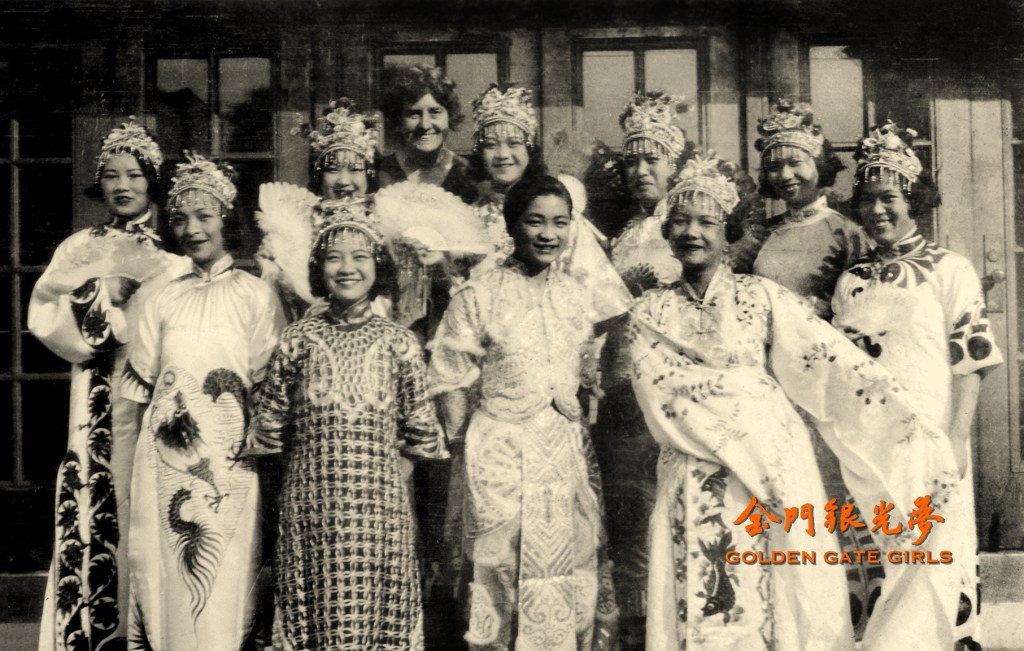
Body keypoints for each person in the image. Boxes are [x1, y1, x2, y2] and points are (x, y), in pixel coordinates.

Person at [628, 154, 966, 650]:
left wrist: (910, 430)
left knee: (783, 602)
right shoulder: (648, 312)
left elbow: (834, 367)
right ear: (667, 231)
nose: (692, 233)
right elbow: (663, 394)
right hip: (694, 471)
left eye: (707, 222)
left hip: (776, 471)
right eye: (680, 221)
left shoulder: (762, 297)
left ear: (728, 233)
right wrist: (751, 401)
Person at [429, 175, 621, 650]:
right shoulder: (480, 294)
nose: (548, 234)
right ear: (513, 224)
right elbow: (450, 377)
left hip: (564, 450)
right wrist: (463, 446)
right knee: (500, 564)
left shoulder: (578, 294)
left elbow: (588, 364)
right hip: (500, 452)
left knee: (573, 560)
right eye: (535, 222)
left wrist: (588, 382)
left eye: (560, 223)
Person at [831, 121, 1003, 649]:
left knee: (933, 552)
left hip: (932, 434)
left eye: (890, 198)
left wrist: (957, 436)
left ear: (915, 201)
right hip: (867, 439)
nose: (878, 210)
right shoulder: (851, 279)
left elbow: (971, 359)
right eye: (868, 200)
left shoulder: (950, 269)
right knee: (878, 556)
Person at [246, 204, 447, 650]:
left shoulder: (400, 343)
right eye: (334, 258)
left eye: (360, 257)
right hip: (310, 511)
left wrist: (388, 479)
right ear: (319, 268)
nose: (347, 268)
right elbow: (269, 431)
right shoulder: (297, 339)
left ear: (378, 266)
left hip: (380, 513)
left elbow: (423, 436)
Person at [30, 117, 189, 650]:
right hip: (98, 396)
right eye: (112, 175)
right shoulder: (80, 247)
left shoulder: (176, 251)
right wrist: (102, 295)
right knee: (99, 504)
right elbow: (44, 313)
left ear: (152, 182)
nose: (123, 186)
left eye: (135, 175)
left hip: (157, 399)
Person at [122, 152, 285, 649]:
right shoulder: (161, 298)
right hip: (164, 461)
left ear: (225, 219)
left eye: (204, 216)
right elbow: (142, 391)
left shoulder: (256, 295)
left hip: (232, 461)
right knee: (166, 569)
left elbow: (270, 389)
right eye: (180, 219)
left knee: (228, 568)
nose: (192, 229)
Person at [256, 98, 381, 322]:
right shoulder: (299, 227)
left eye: (355, 169)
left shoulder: (384, 223)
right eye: (332, 170)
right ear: (319, 177)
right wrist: (272, 269)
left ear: (368, 175)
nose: (343, 181)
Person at [752, 99, 866, 319]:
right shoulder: (762, 232)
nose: (785, 175)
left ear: (819, 165)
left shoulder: (845, 232)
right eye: (774, 167)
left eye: (796, 163)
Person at [377, 63, 478, 204]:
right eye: (414, 114)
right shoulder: (381, 170)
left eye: (435, 112)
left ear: (450, 115)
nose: (424, 125)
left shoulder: (466, 173)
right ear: (398, 119)